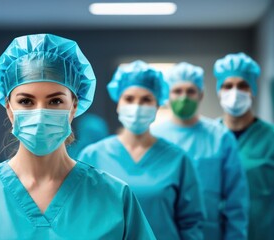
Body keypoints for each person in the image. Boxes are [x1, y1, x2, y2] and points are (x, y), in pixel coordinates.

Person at [0, 33, 155, 239]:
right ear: (9, 108)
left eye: (55, 101)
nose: (39, 113)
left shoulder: (114, 196)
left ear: (74, 106)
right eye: (26, 101)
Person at [78, 60, 205, 239]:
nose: (137, 106)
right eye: (129, 99)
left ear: (157, 105)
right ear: (118, 103)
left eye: (146, 99)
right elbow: (82, 217)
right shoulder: (93, 156)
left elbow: (191, 223)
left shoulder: (178, 159)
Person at [151, 62, 249, 240]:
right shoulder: (153, 135)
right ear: (167, 96)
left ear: (201, 94)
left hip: (208, 233)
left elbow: (236, 201)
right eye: (177, 91)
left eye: (190, 91)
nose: (184, 97)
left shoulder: (220, 137)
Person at [214, 52, 274, 240]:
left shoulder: (270, 138)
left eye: (242, 85)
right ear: (218, 91)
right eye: (227, 86)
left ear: (253, 90)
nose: (234, 92)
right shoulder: (208, 138)